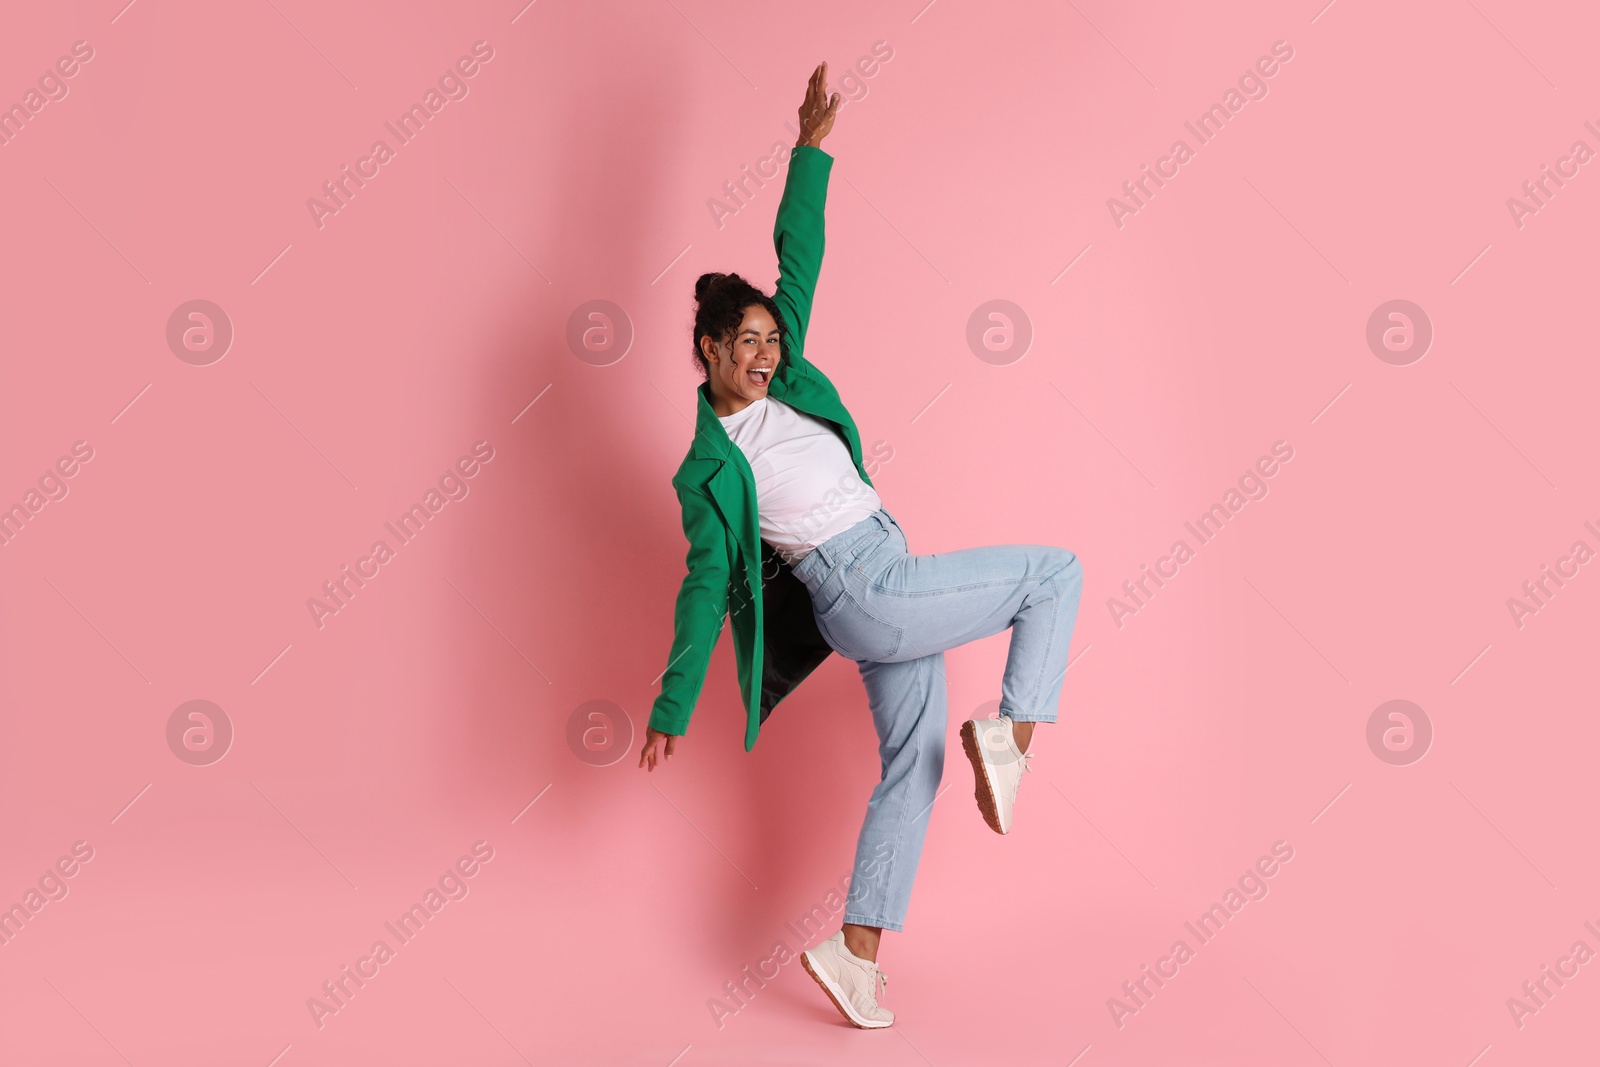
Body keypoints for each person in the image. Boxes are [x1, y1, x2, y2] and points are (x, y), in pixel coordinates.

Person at [637, 62, 1084, 1029]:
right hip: (860, 583)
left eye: (766, 338)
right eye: (744, 343)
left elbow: (799, 259)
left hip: (883, 568)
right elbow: (705, 584)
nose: (762, 353)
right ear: (707, 350)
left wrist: (810, 147)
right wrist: (674, 703)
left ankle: (855, 952)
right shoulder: (708, 465)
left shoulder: (787, 376)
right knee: (1055, 572)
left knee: (914, 765)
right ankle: (1012, 734)